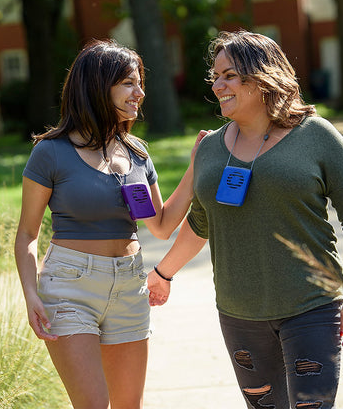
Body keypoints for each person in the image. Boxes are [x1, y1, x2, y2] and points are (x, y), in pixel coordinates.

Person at [148, 30, 343, 409]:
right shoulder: (210, 148)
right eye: (215, 76)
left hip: (311, 308)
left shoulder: (318, 137)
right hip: (239, 315)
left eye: (230, 75)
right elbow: (201, 222)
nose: (218, 85)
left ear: (263, 75)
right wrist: (163, 273)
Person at [14, 38, 206, 409]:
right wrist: (30, 294)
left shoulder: (136, 151)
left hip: (129, 286)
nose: (140, 92)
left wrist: (196, 164)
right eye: (129, 83)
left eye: (140, 83)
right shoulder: (51, 152)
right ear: (99, 86)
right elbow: (26, 234)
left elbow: (162, 225)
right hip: (70, 288)